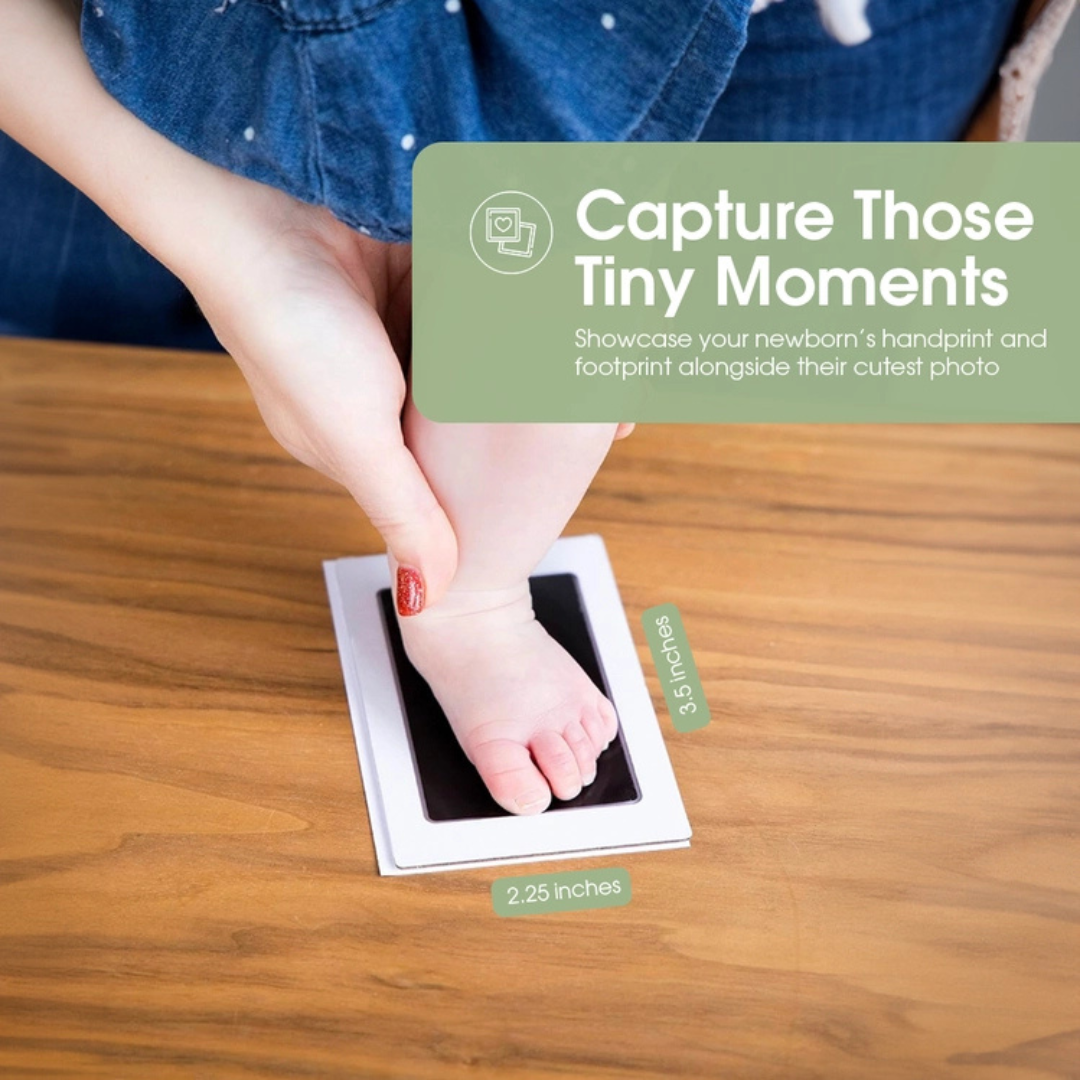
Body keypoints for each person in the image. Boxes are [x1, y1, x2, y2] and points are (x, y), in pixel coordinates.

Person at [0, 0, 1036, 814]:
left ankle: (477, 591)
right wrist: (225, 235)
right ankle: (473, 596)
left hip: (716, 33)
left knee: (557, 318)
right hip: (154, 39)